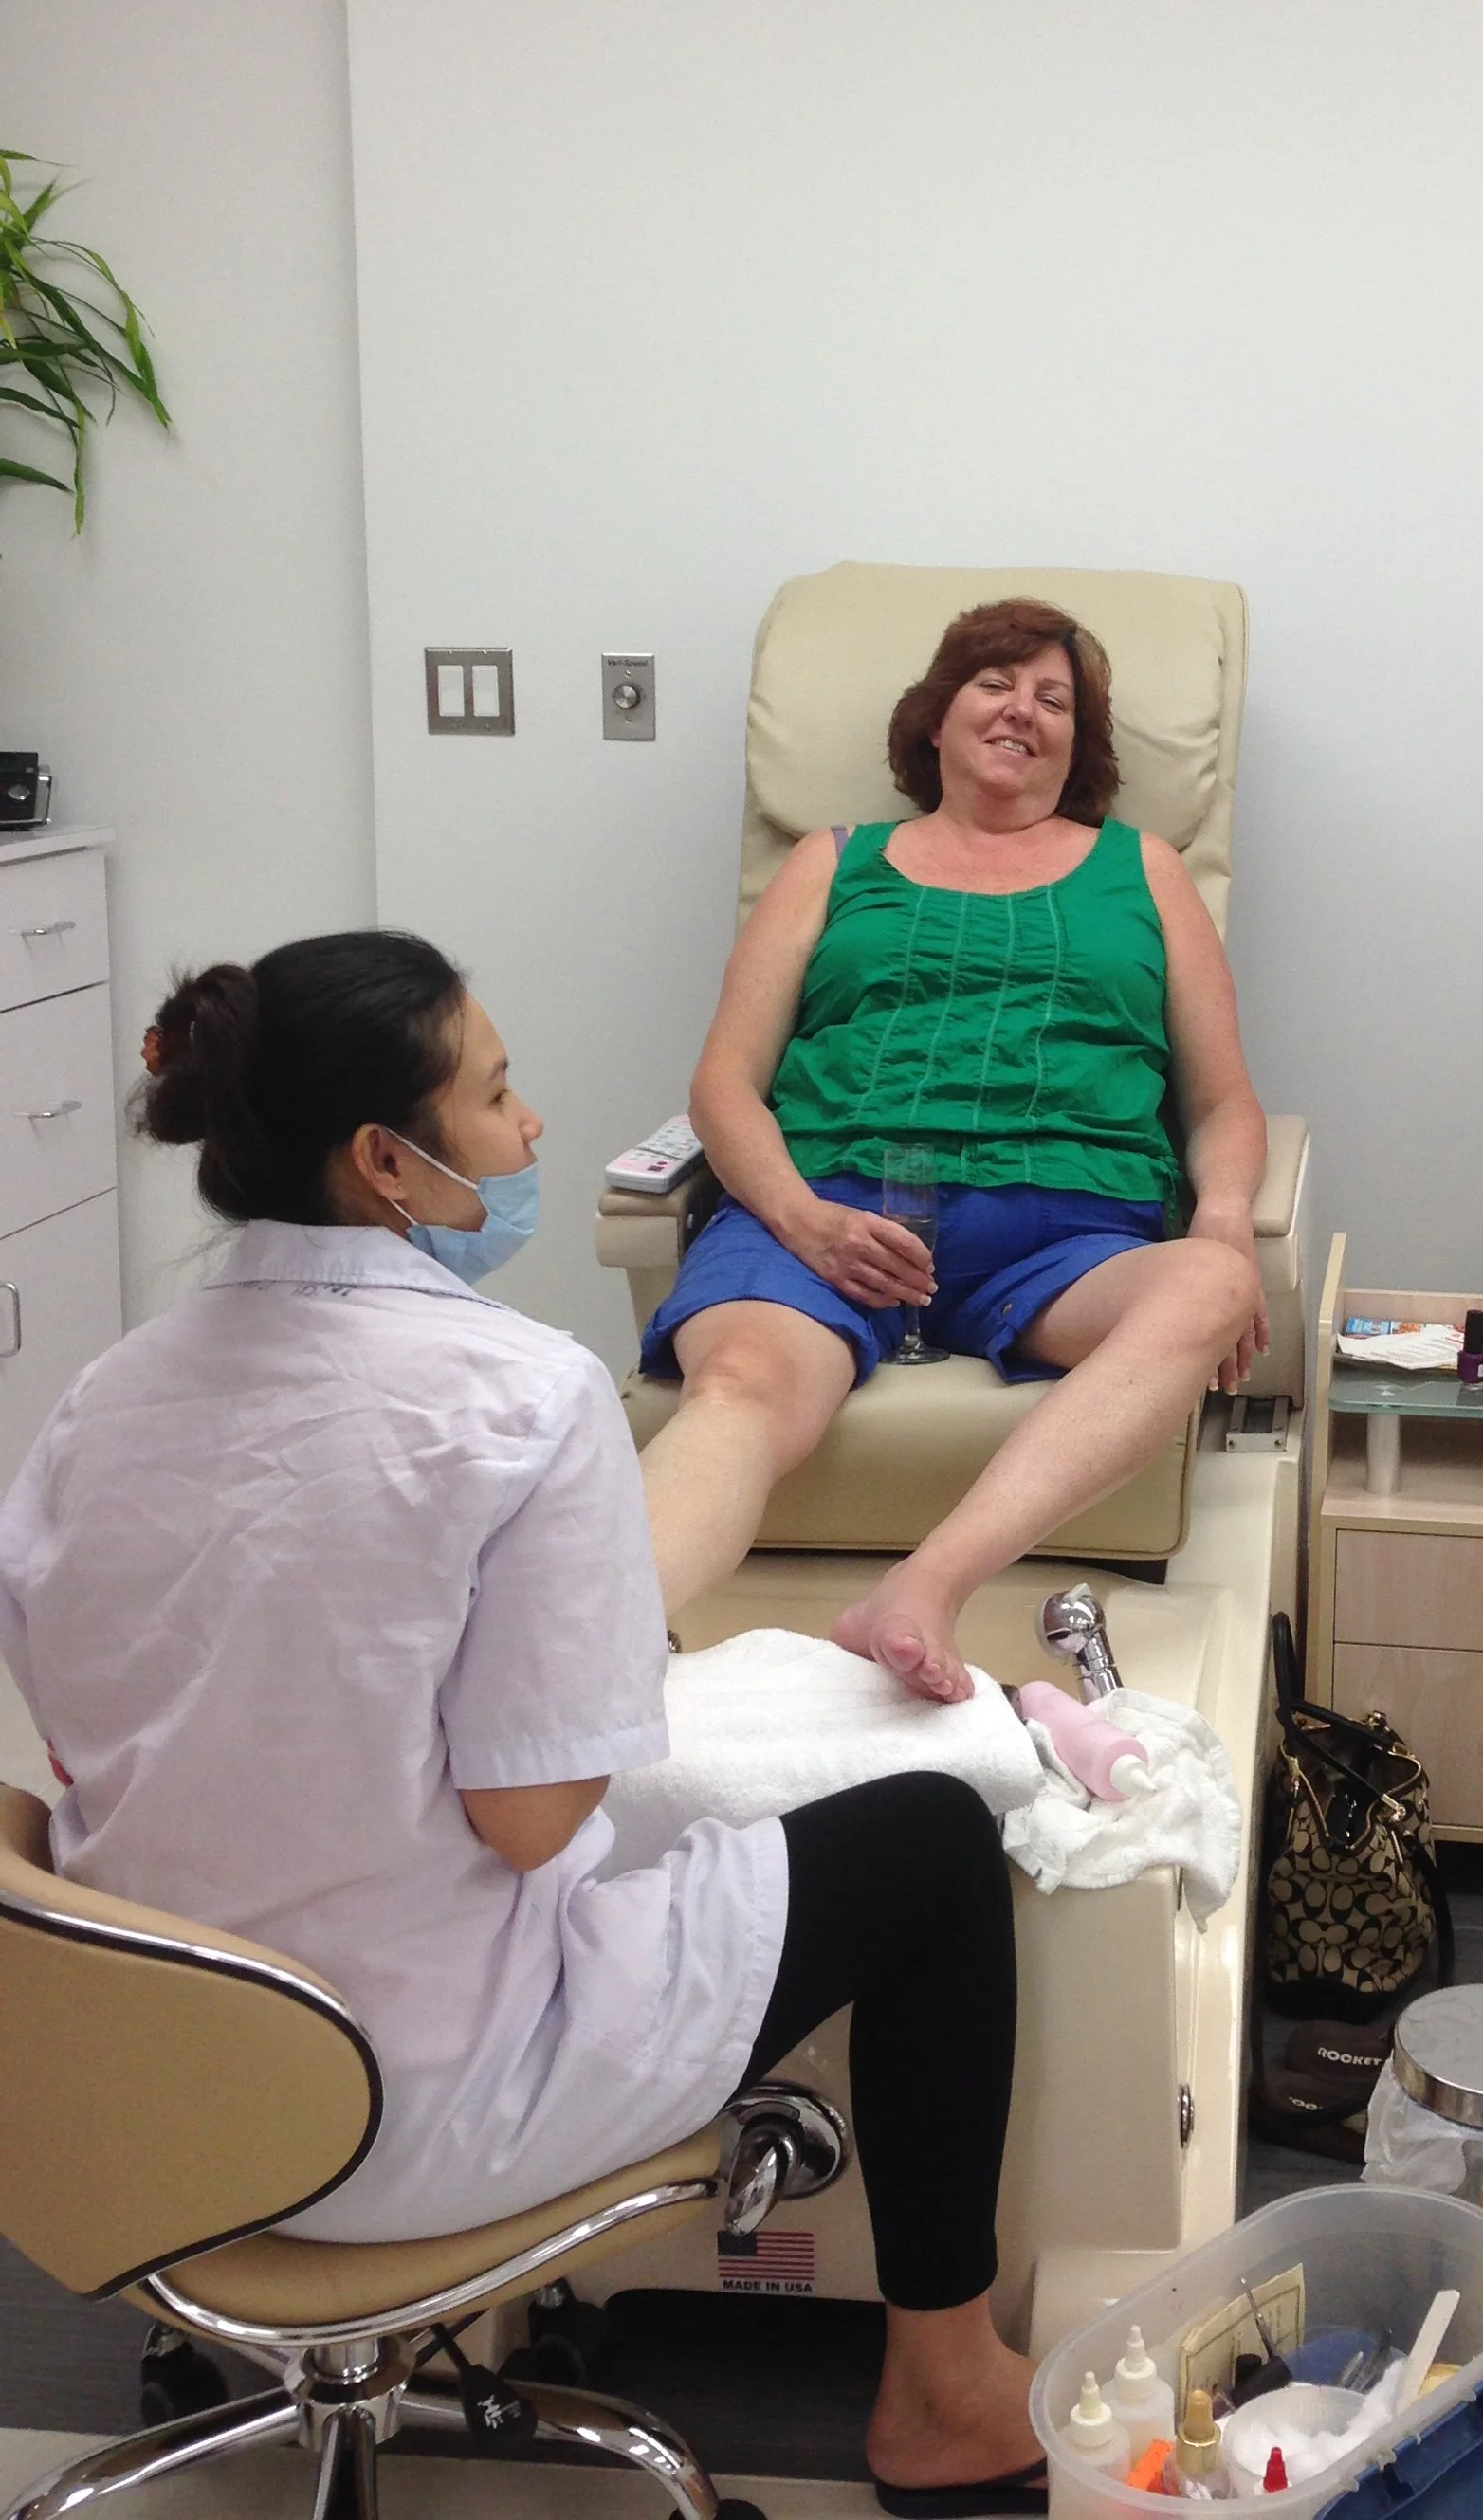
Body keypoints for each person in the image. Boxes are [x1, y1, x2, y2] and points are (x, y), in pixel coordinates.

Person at [0, 936, 1043, 2514]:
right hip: (398, 2110)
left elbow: (85, 1737)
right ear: (385, 1162)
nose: (533, 1125)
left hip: (140, 2100)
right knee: (932, 1842)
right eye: (495, 1094)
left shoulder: (98, 1400)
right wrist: (590, 1642)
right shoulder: (521, 1393)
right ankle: (948, 2393)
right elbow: (532, 1819)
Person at [637, 595, 1268, 1700]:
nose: (1022, 708)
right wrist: (802, 1219)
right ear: (934, 719)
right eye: (994, 682)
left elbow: (1221, 1106)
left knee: (1210, 1280)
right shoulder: (833, 862)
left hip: (1066, 1241)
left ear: (1080, 746)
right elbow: (724, 1084)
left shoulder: (1147, 871)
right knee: (735, 1382)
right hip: (830, 1215)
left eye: (1054, 697)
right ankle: (577, 1656)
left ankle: (926, 1583)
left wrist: (1221, 1220)